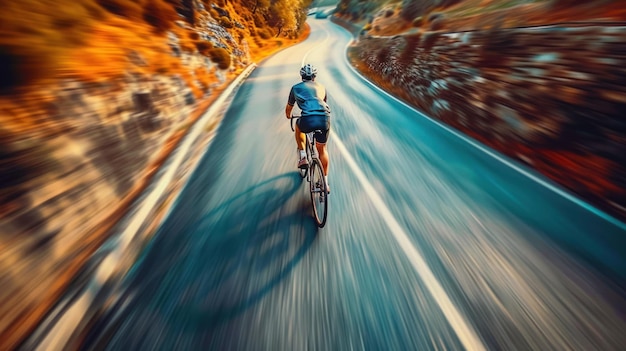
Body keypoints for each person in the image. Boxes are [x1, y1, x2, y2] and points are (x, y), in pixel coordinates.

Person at [285, 63, 331, 192]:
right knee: (322, 149)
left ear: (302, 76)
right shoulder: (322, 87)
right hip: (324, 118)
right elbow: (323, 103)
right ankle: (325, 183)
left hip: (307, 119)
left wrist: (289, 116)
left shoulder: (295, 88)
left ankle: (303, 156)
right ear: (314, 77)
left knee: (299, 127)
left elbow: (289, 108)